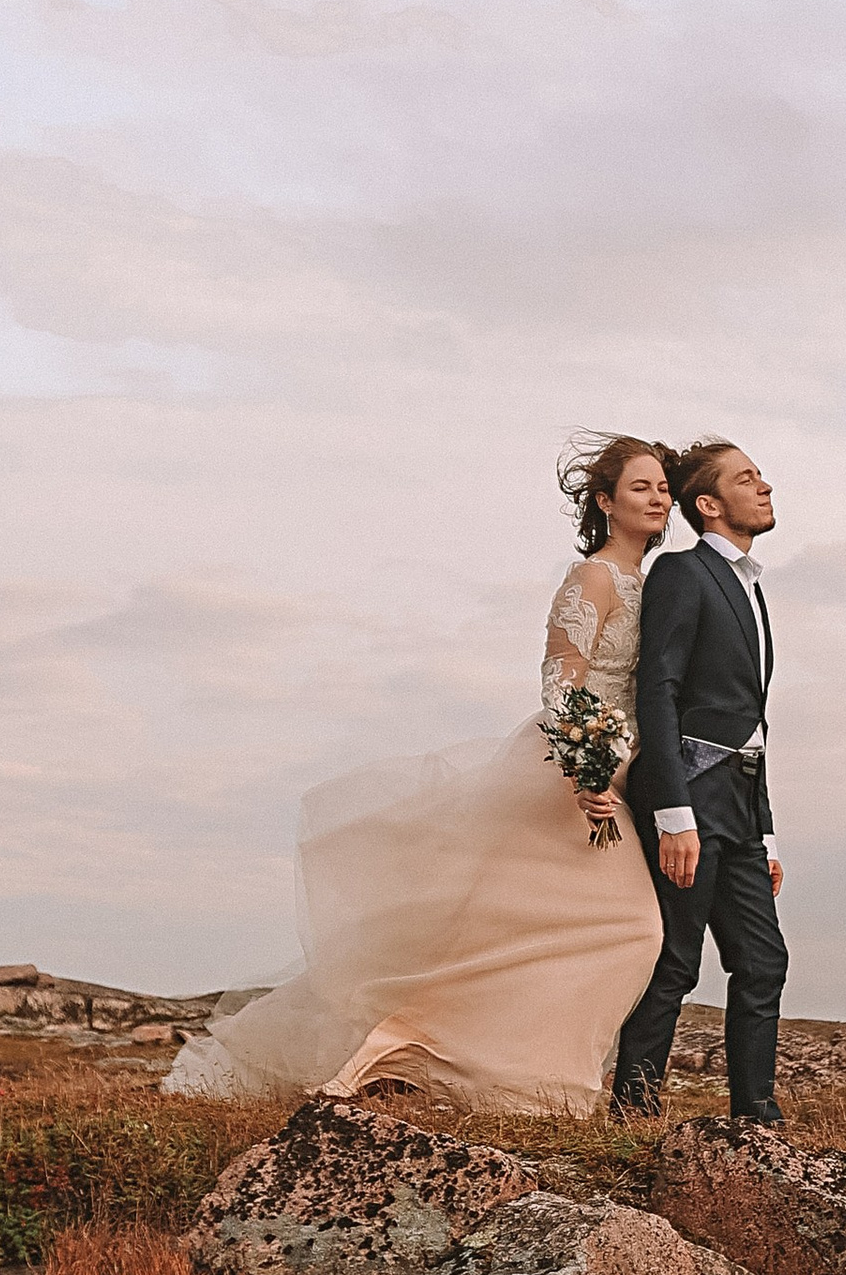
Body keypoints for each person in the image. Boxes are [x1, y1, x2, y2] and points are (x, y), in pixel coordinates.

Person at [164, 438, 672, 1112]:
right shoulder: (594, 579)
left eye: (663, 486)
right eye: (641, 487)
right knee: (632, 928)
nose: (658, 497)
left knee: (515, 934)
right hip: (566, 772)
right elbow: (561, 678)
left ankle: (436, 1058)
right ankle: (422, 1051)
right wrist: (586, 770)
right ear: (605, 501)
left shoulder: (652, 587)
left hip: (616, 772)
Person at [611, 439, 788, 1125]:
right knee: (676, 964)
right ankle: (634, 1117)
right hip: (692, 793)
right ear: (710, 504)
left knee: (763, 962)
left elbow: (754, 720)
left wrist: (766, 829)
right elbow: (659, 689)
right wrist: (672, 814)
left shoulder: (753, 586)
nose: (765, 486)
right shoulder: (683, 573)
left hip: (741, 806)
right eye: (748, 479)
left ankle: (757, 1120)